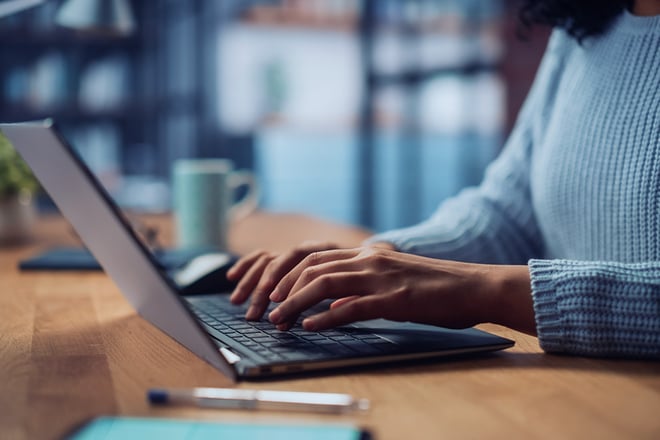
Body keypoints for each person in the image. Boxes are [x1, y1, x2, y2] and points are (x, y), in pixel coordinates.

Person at [227, 0, 660, 359]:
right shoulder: (584, 26)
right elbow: (508, 210)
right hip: (564, 388)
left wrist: (484, 291)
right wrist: (379, 260)